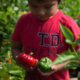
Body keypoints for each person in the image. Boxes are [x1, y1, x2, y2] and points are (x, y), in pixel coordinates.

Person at [11, 0, 80, 80]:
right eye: (34, 6)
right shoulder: (24, 21)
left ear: (58, 1)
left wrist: (57, 67)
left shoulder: (67, 24)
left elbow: (78, 56)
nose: (41, 12)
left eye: (48, 7)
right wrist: (21, 61)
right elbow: (15, 48)